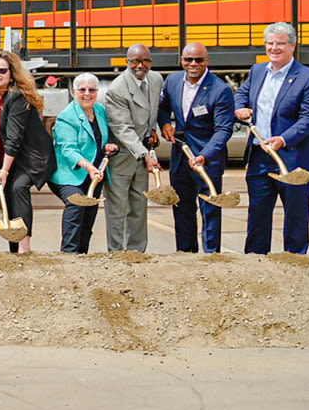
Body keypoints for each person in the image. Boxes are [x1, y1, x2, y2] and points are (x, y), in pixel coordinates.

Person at [234, 22, 309, 254]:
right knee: (257, 214)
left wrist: (282, 139)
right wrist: (239, 108)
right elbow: (241, 94)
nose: (274, 48)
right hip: (259, 156)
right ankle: (256, 262)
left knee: (296, 215)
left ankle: (295, 262)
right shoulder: (257, 71)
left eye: (280, 43)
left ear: (292, 46)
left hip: (294, 157)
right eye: (270, 43)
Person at [157, 42, 235, 253]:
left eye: (198, 60)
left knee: (210, 206)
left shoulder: (220, 90)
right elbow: (162, 107)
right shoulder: (172, 81)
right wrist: (164, 123)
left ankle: (211, 255)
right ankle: (185, 253)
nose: (193, 64)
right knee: (181, 206)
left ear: (207, 61)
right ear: (181, 60)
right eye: (188, 59)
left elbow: (223, 130)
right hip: (180, 155)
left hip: (207, 158)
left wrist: (204, 155)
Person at [0, 50, 53, 254]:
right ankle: (13, 249)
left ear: (11, 73)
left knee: (17, 188)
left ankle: (25, 248)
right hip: (9, 156)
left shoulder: (16, 98)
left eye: (2, 70)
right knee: (6, 194)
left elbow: (14, 139)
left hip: (30, 157)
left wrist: (4, 172)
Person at [103, 44, 164, 252]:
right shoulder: (117, 89)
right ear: (126, 62)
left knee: (139, 206)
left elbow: (153, 110)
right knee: (117, 209)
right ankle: (117, 253)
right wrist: (145, 155)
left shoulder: (156, 79)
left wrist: (153, 130)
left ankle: (137, 252)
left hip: (142, 154)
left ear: (151, 62)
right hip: (122, 155)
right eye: (135, 61)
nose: (140, 65)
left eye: (145, 61)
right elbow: (123, 129)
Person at [50, 73, 118, 254]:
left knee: (88, 217)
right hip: (69, 174)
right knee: (77, 203)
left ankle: (82, 256)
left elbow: (101, 138)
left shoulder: (99, 111)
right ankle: (69, 254)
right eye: (82, 90)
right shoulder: (66, 117)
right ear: (74, 92)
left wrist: (109, 145)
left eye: (92, 90)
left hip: (94, 175)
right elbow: (68, 149)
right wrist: (88, 167)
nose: (87, 93)